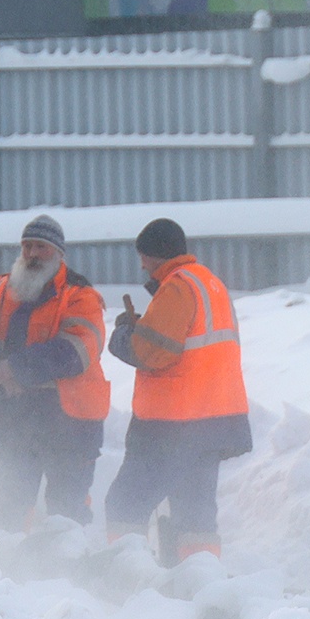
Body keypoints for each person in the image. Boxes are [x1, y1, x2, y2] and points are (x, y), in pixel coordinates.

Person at [103, 218, 251, 562]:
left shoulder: (177, 287)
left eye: (143, 257)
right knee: (195, 515)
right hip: (213, 420)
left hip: (173, 425)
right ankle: (199, 577)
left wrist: (124, 334)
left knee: (126, 503)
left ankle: (125, 573)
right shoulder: (210, 284)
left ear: (156, 255)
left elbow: (151, 352)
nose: (142, 265)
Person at [0, 216, 110, 531]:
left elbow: (77, 350)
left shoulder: (81, 296)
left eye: (41, 247)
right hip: (15, 416)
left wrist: (14, 369)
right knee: (10, 503)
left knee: (67, 509)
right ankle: (7, 557)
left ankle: (66, 559)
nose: (32, 254)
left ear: (58, 253)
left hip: (69, 419)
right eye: (27, 246)